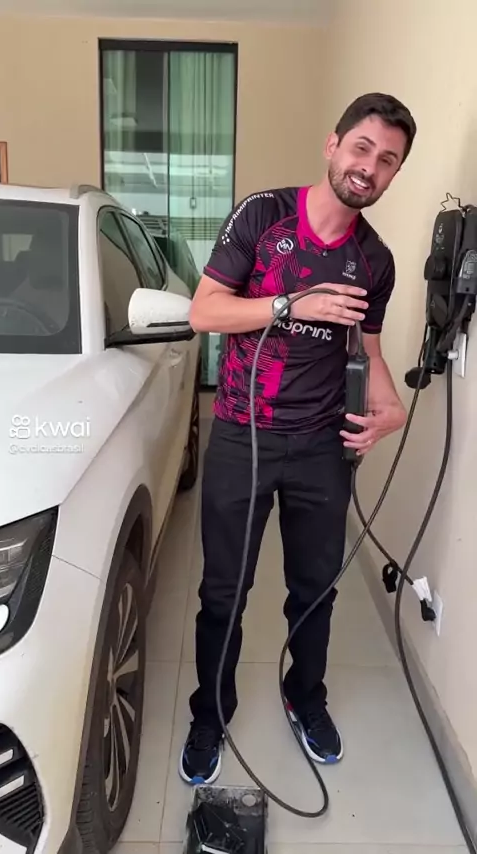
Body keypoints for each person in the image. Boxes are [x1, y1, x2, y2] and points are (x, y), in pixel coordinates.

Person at [179, 92, 417, 785]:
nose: (370, 166)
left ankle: (304, 696)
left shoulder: (375, 260)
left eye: (388, 160)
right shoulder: (262, 215)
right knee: (224, 591)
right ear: (333, 145)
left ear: (394, 174)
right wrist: (289, 303)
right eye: (362, 147)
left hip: (321, 447)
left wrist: (392, 408)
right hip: (241, 433)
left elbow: (368, 351)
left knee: (315, 590)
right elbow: (204, 312)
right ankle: (210, 713)